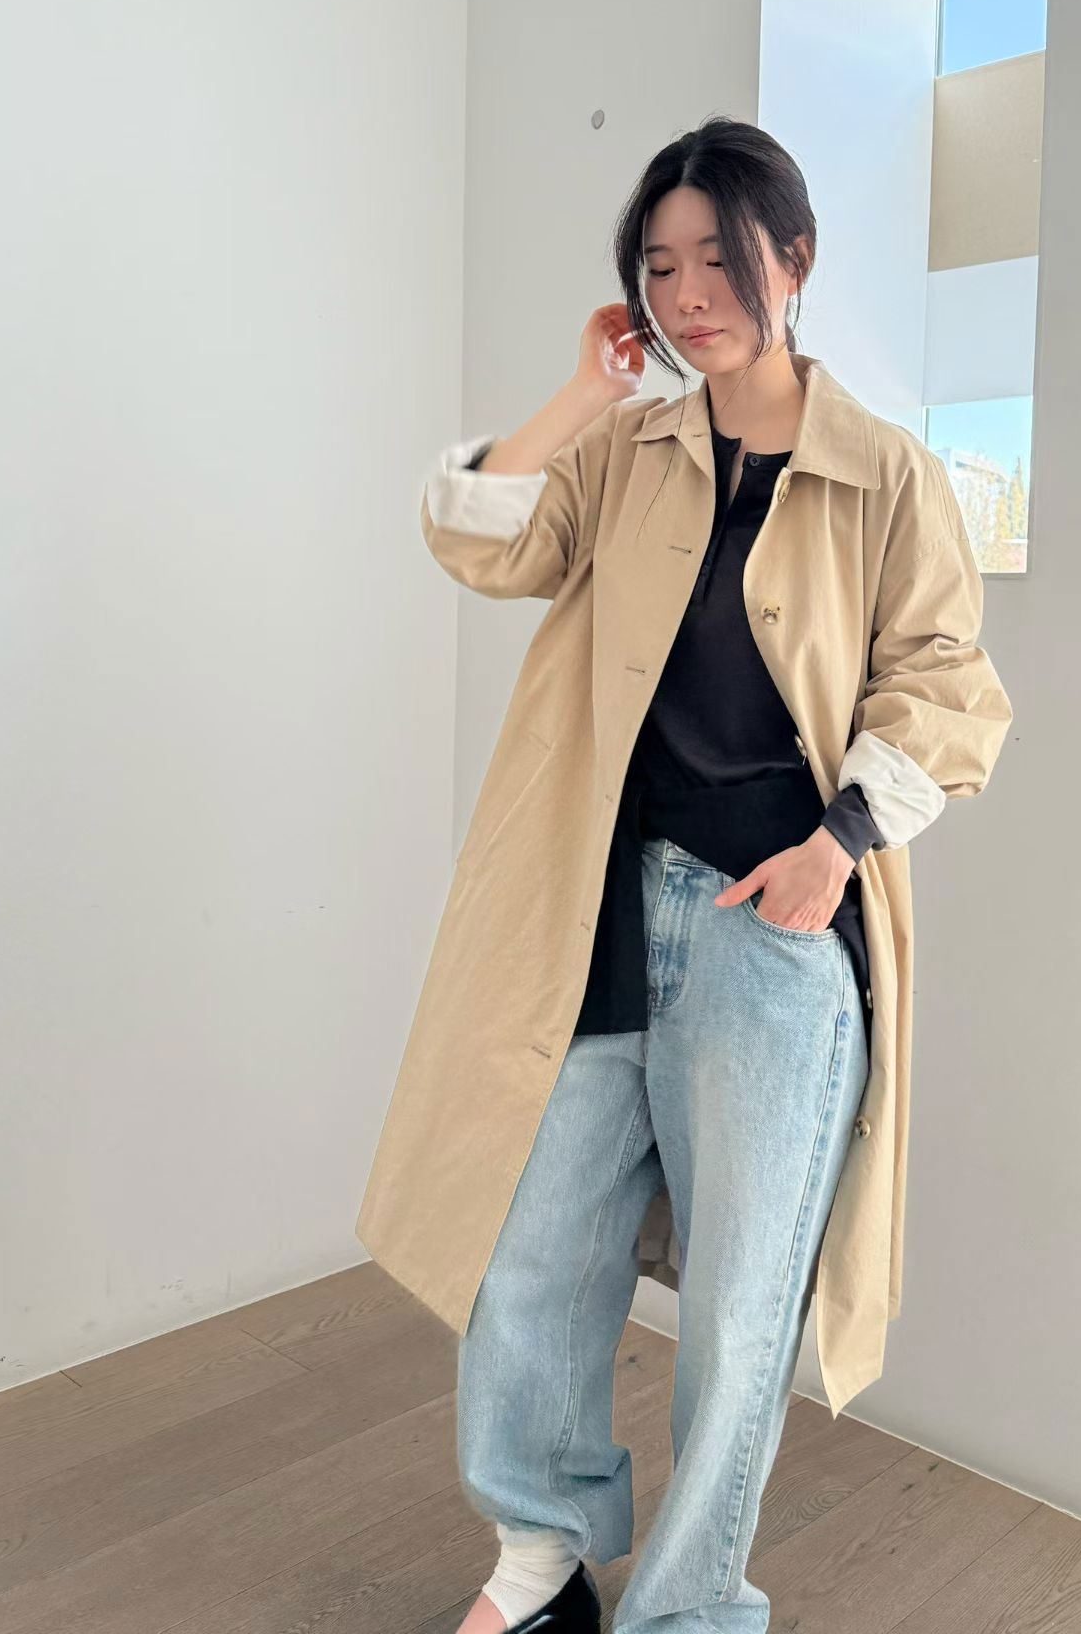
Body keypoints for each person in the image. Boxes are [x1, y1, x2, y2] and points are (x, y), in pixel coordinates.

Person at [380, 117, 1013, 1634]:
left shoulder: (889, 475)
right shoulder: (628, 450)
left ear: (795, 259)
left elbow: (949, 688)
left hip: (769, 929)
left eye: (722, 256)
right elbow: (479, 541)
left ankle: (689, 1607)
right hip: (593, 918)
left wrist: (834, 851)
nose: (689, 292)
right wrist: (584, 392)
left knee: (738, 1309)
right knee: (530, 1256)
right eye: (660, 266)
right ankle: (539, 1564)